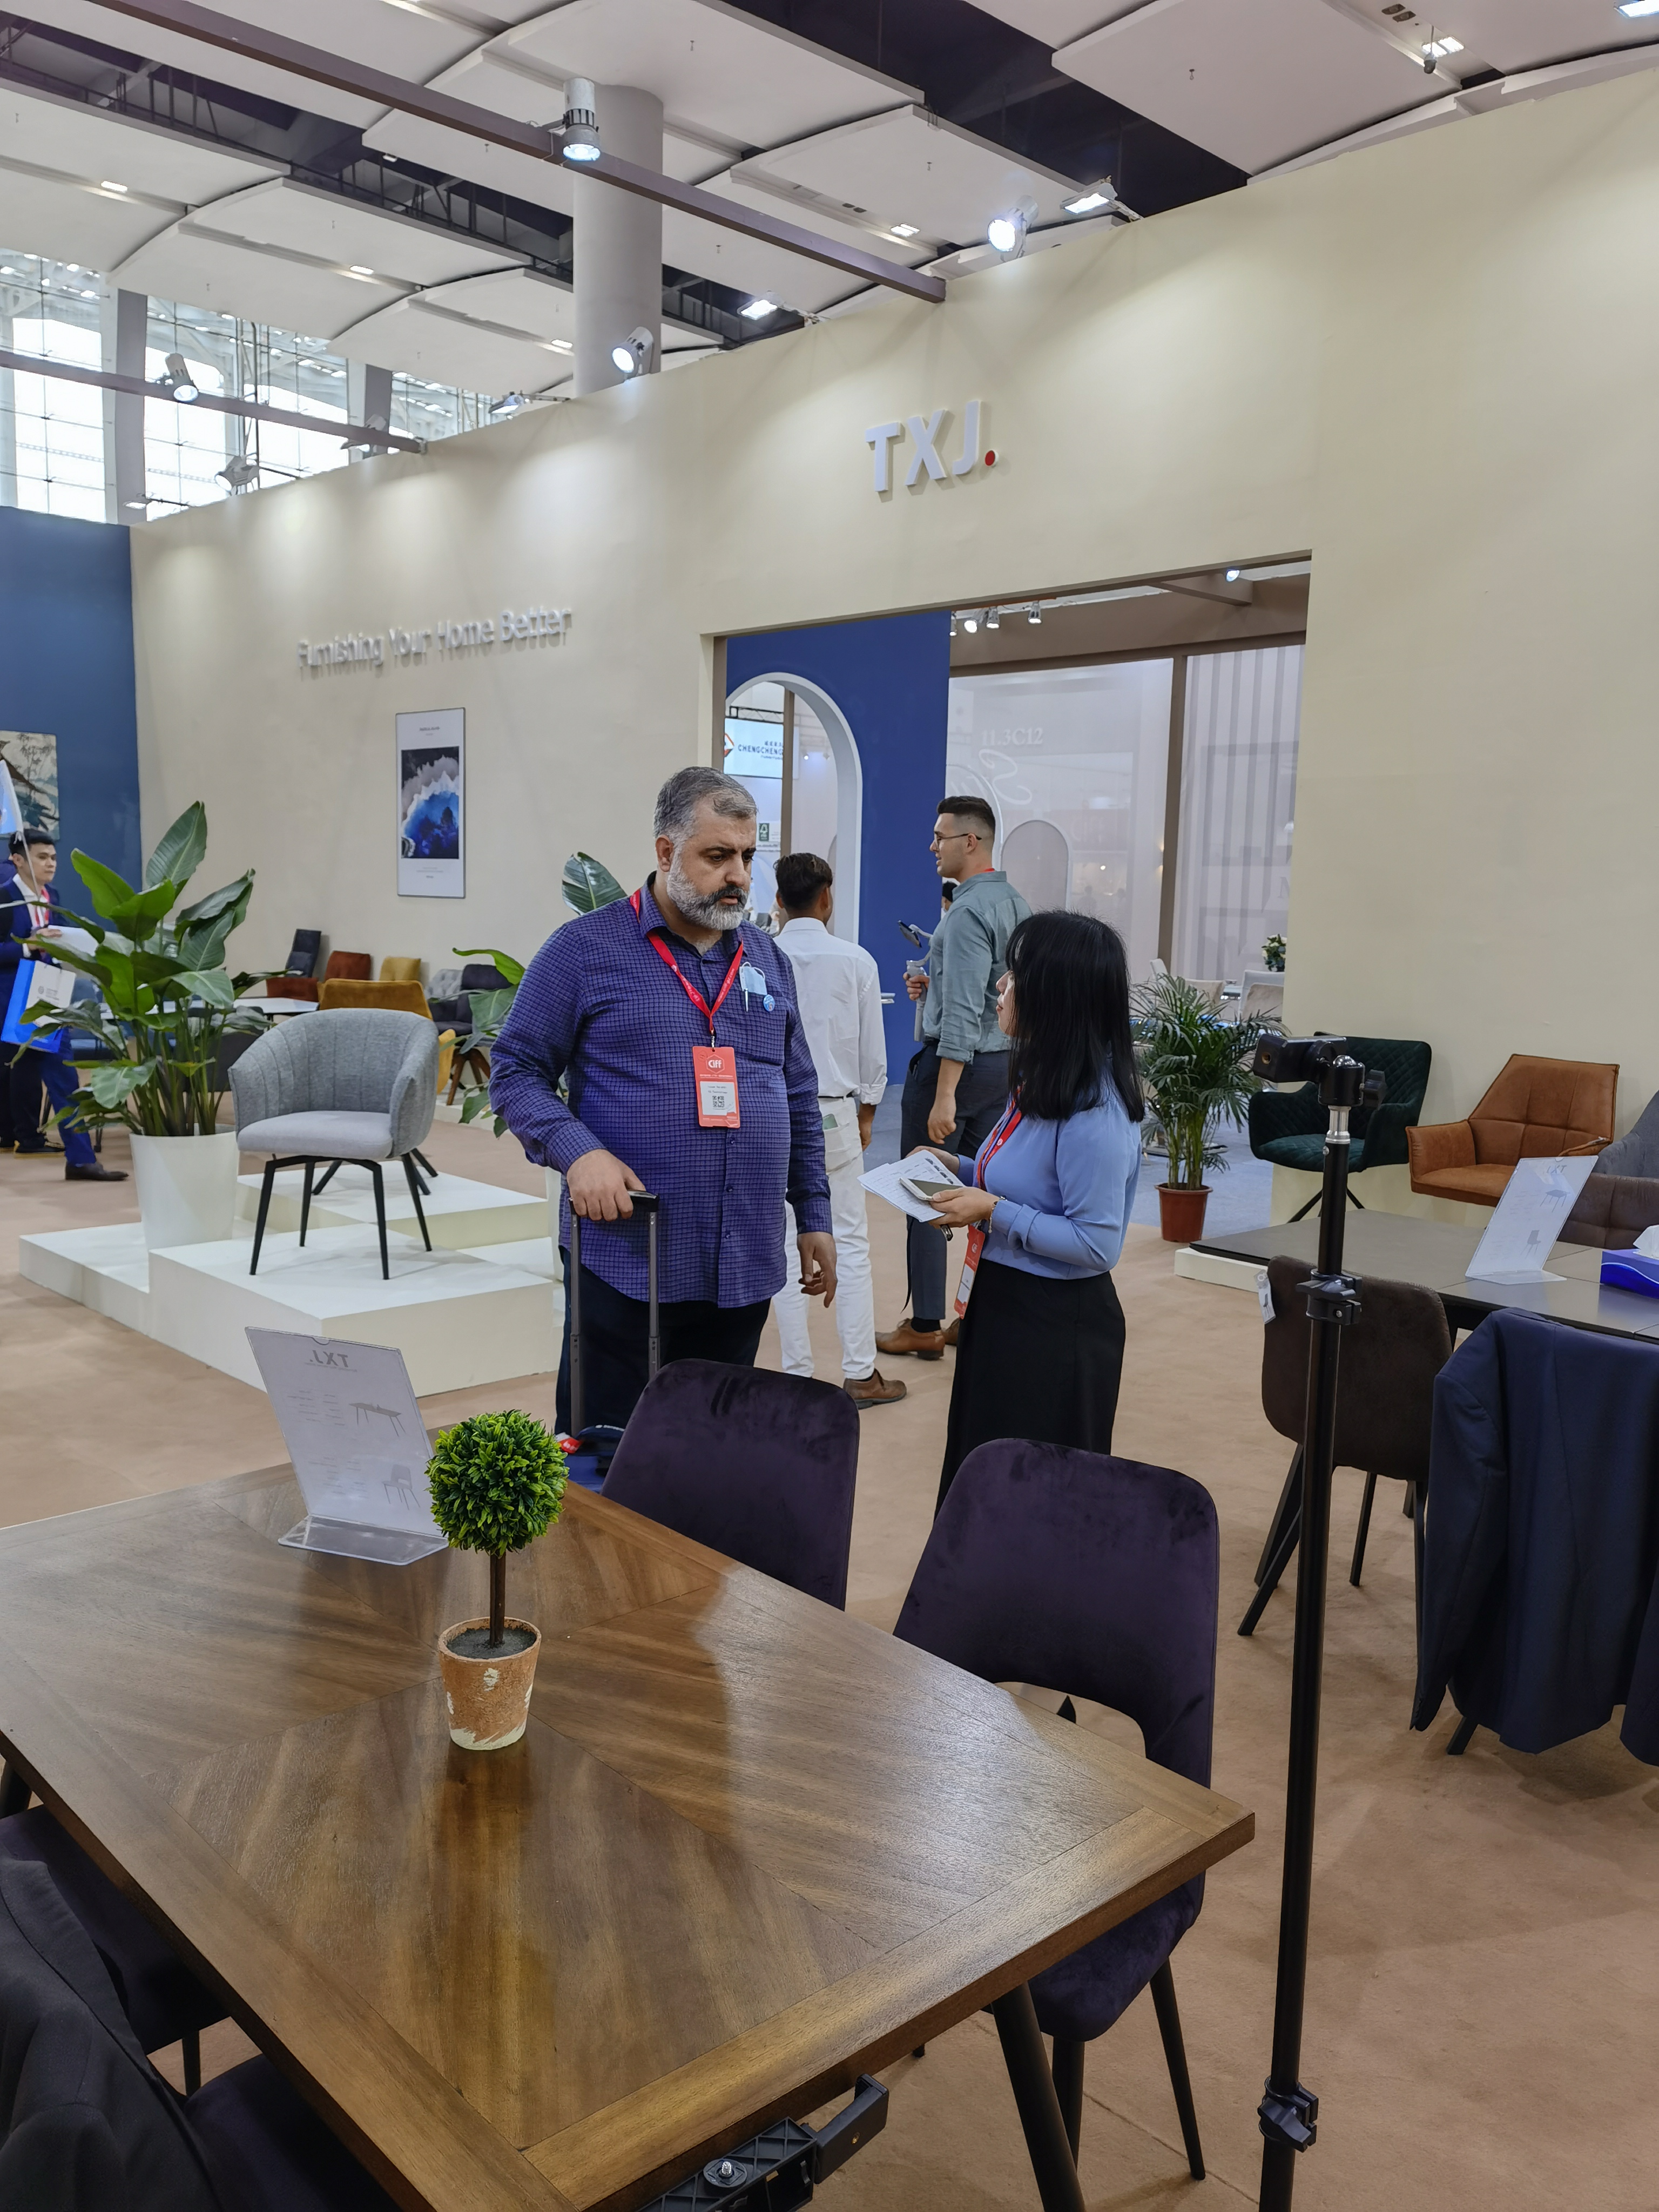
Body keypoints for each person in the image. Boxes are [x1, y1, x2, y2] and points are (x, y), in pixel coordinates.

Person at [490, 766, 835, 1432]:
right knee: (608, 1453)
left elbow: (796, 1093)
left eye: (747, 857)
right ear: (666, 851)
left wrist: (814, 1212)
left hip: (743, 1261)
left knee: (711, 1447)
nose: (738, 875)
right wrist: (578, 1153)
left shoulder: (767, 959)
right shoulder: (583, 951)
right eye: (718, 856)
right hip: (630, 1258)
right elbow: (514, 1070)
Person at [918, 909, 1144, 1511]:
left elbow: (1097, 1244)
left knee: (1033, 1494)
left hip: (1056, 1325)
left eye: (1015, 974)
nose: (1001, 984)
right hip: (1003, 1301)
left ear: (1054, 994)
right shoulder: (1043, 1080)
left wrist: (992, 1210)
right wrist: (957, 1167)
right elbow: (1021, 1181)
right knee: (982, 1470)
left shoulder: (1096, 1112)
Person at [878, 796, 1029, 1361]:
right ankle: (974, 1315)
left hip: (956, 1072)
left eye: (940, 836)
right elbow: (994, 993)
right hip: (1003, 1070)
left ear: (971, 841)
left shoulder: (966, 914)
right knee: (986, 1192)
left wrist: (943, 1095)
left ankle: (925, 1323)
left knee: (924, 1189)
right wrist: (933, 988)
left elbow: (964, 1014)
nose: (932, 846)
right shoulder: (1016, 904)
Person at [770, 851, 904, 1408]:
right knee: (848, 1241)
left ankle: (796, 1376)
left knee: (783, 1243)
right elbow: (873, 1050)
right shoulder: (856, 961)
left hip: (772, 1113)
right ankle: (860, 1374)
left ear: (778, 901)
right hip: (833, 1113)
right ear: (826, 898)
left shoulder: (758, 955)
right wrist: (868, 1112)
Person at [5, 830, 125, 1181]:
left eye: (54, 858)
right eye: (42, 857)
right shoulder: (4, 898)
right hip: (10, 1000)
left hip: (46, 998)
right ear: (18, 860)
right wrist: (28, 946)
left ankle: (81, 1160)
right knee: (23, 1076)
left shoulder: (52, 896)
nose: (51, 864)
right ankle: (31, 1139)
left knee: (63, 1077)